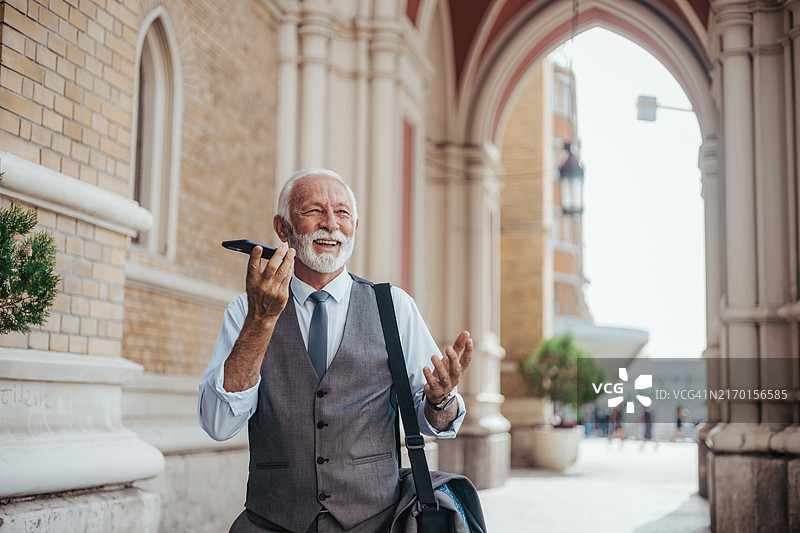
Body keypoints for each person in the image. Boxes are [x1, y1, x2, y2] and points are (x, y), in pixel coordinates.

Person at [198, 168, 472, 533]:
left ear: (354, 226)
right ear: (282, 228)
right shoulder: (245, 312)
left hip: (376, 523)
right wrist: (260, 322)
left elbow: (436, 424)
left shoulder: (393, 307)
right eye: (314, 211)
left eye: (342, 213)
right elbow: (218, 423)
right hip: (273, 522)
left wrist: (440, 400)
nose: (330, 223)